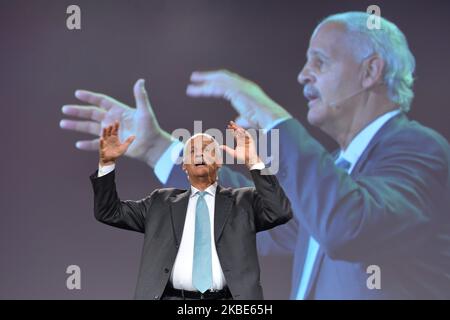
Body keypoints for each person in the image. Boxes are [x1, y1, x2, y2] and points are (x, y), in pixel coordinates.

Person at [63, 11, 450, 299]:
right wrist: (158, 149)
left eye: (320, 62)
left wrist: (273, 115)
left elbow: (346, 226)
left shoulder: (419, 151)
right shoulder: (334, 172)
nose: (303, 75)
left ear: (371, 71)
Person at [90, 120, 292, 300]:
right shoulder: (160, 203)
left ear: (220, 161)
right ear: (184, 166)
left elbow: (280, 211)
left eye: (207, 149)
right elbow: (109, 212)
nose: (200, 154)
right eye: (193, 151)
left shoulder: (244, 201)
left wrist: (253, 161)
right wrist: (106, 165)